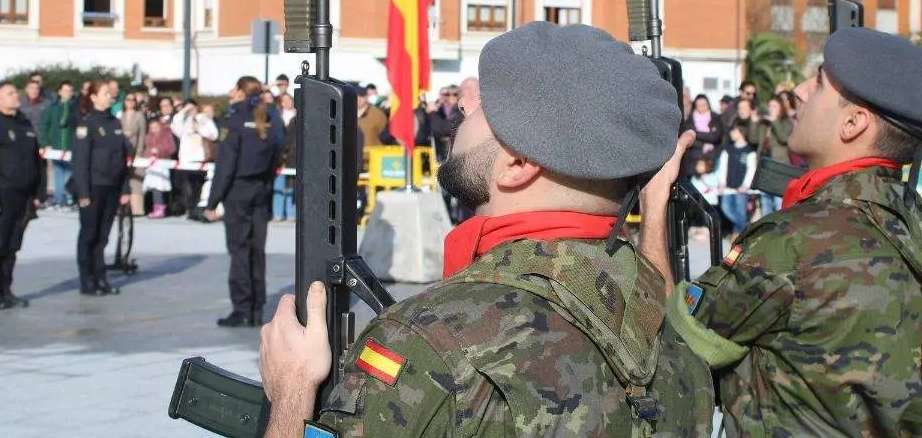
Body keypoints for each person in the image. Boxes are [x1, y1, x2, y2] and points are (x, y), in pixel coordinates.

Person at [258, 22, 714, 437]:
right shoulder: (671, 335)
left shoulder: (429, 341)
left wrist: (293, 389)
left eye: (485, 109)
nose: (463, 113)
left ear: (516, 165)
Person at [645, 27, 922, 437]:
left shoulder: (794, 244)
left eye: (821, 83)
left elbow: (673, 348)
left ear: (853, 123)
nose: (799, 91)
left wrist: (654, 206)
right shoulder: (909, 221)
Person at [204, 76, 282, 327]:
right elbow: (277, 153)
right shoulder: (269, 117)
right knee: (257, 251)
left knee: (239, 250)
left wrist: (212, 201)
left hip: (238, 191)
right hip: (260, 190)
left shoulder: (234, 119)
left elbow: (226, 164)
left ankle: (242, 308)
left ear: (239, 91)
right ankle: (257, 308)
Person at [0, 81, 45, 309]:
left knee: (13, 245)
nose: (16, 95)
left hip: (23, 197)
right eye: (11, 93)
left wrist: (38, 193)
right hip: (3, 196)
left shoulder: (24, 125)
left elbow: (37, 162)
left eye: (16, 92)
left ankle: (7, 289)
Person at [72, 80, 132, 296]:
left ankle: (100, 278)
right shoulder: (86, 124)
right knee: (89, 234)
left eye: (110, 93)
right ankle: (87, 280)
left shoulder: (114, 123)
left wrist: (125, 188)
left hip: (112, 186)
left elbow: (122, 160)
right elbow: (80, 161)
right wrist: (83, 192)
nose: (110, 96)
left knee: (103, 236)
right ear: (94, 97)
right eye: (105, 93)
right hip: (94, 186)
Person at [40, 81, 78, 209]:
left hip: (70, 145)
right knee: (58, 171)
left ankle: (68, 197)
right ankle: (58, 198)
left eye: (70, 91)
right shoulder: (52, 107)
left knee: (69, 172)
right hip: (55, 145)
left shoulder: (75, 107)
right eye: (65, 91)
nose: (67, 93)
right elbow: (45, 125)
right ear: (60, 92)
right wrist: (46, 142)